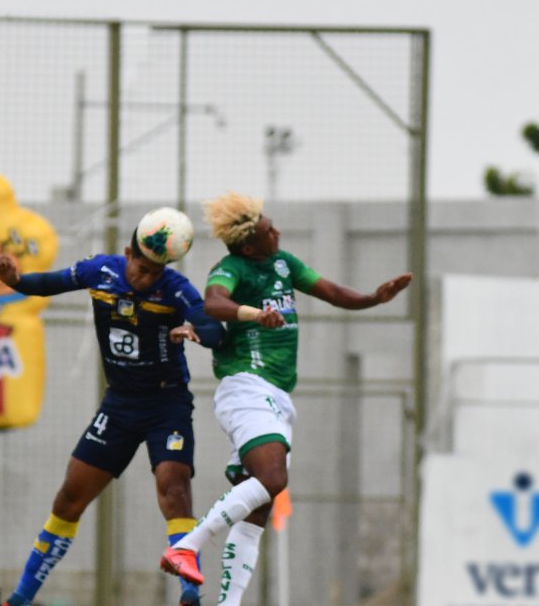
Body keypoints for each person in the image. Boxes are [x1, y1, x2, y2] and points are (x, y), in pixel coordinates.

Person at [159, 192, 412, 604]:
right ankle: (187, 544)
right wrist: (254, 314)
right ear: (248, 244)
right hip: (246, 387)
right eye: (267, 230)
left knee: (258, 508)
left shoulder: (283, 263)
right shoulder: (230, 268)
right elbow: (214, 302)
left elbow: (330, 291)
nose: (276, 232)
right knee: (273, 479)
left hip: (275, 394)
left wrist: (372, 298)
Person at [0, 217, 224, 606]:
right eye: (141, 267)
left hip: (167, 405)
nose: (146, 277)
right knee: (69, 498)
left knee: (174, 487)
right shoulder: (101, 271)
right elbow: (50, 283)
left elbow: (214, 330)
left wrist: (197, 332)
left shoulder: (175, 290)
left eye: (155, 272)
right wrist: (15, 281)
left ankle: (189, 594)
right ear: (128, 253)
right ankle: (20, 599)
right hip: (119, 405)